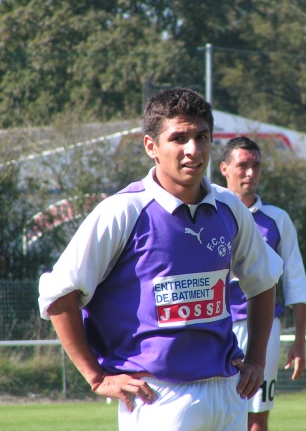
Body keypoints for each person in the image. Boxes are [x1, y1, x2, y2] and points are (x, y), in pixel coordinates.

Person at [38, 87, 283, 431]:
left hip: (228, 391)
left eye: (202, 136)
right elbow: (59, 295)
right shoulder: (123, 211)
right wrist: (95, 377)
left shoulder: (229, 208)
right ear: (151, 146)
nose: (193, 150)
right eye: (179, 138)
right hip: (157, 397)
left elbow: (264, 281)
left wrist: (257, 359)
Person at [220, 136, 306, 431]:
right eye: (242, 166)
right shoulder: (210, 213)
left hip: (264, 327)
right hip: (215, 325)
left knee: (256, 417)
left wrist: (299, 341)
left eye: (255, 166)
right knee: (214, 409)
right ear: (224, 168)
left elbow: (296, 281)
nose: (250, 173)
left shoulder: (277, 219)